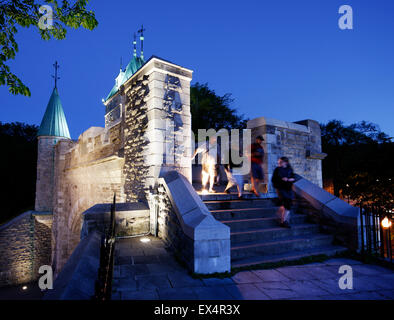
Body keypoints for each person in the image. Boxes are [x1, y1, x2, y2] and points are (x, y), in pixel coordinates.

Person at [271, 157, 295, 228]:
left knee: (287, 204)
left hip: (288, 189)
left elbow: (294, 177)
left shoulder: (290, 169)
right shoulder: (277, 170)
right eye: (279, 162)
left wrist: (290, 179)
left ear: (286, 162)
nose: (279, 163)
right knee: (287, 203)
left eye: (281, 162)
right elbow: (273, 180)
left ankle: (283, 218)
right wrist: (281, 179)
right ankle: (284, 221)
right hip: (281, 188)